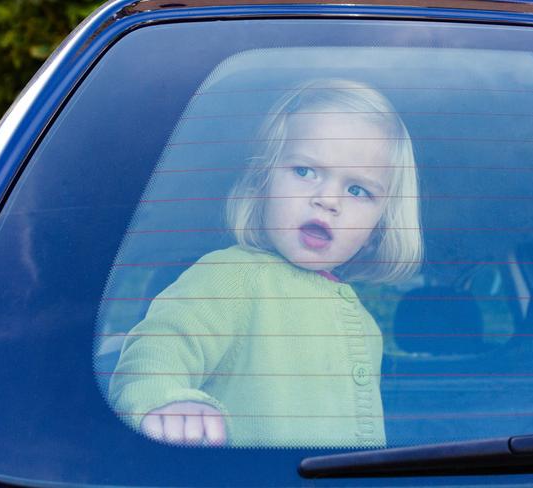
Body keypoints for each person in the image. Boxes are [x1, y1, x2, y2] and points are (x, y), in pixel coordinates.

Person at [108, 79, 422, 447]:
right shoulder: (231, 276)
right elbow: (157, 350)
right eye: (305, 171)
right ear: (262, 183)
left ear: (377, 228)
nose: (327, 199)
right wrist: (170, 402)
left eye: (357, 190)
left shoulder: (366, 329)